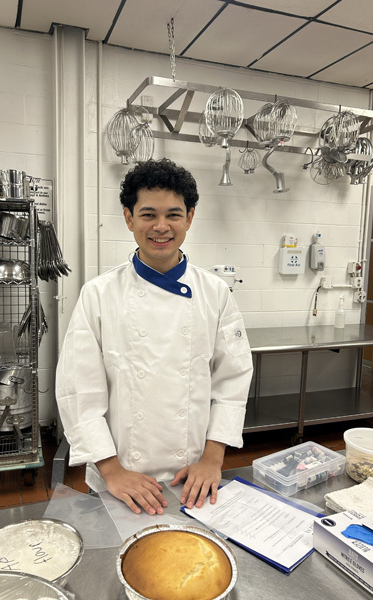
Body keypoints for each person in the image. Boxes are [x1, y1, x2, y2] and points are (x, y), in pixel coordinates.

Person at [56, 158, 253, 516]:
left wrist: (213, 457)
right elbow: (79, 390)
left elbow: (233, 380)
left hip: (191, 474)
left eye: (173, 215)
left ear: (190, 217)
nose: (161, 227)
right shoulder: (98, 294)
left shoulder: (215, 292)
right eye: (148, 215)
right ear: (129, 218)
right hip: (120, 476)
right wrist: (111, 470)